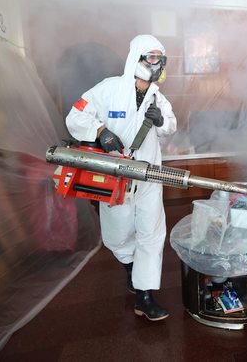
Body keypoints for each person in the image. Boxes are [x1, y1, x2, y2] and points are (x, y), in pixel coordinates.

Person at [66, 34, 177, 321]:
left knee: (152, 234)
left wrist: (162, 121)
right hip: (115, 178)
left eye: (160, 59)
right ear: (136, 57)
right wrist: (101, 131)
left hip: (149, 176)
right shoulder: (108, 89)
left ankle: (144, 297)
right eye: (151, 57)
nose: (156, 64)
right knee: (117, 234)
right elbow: (75, 116)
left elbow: (170, 126)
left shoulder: (158, 98)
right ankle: (130, 266)